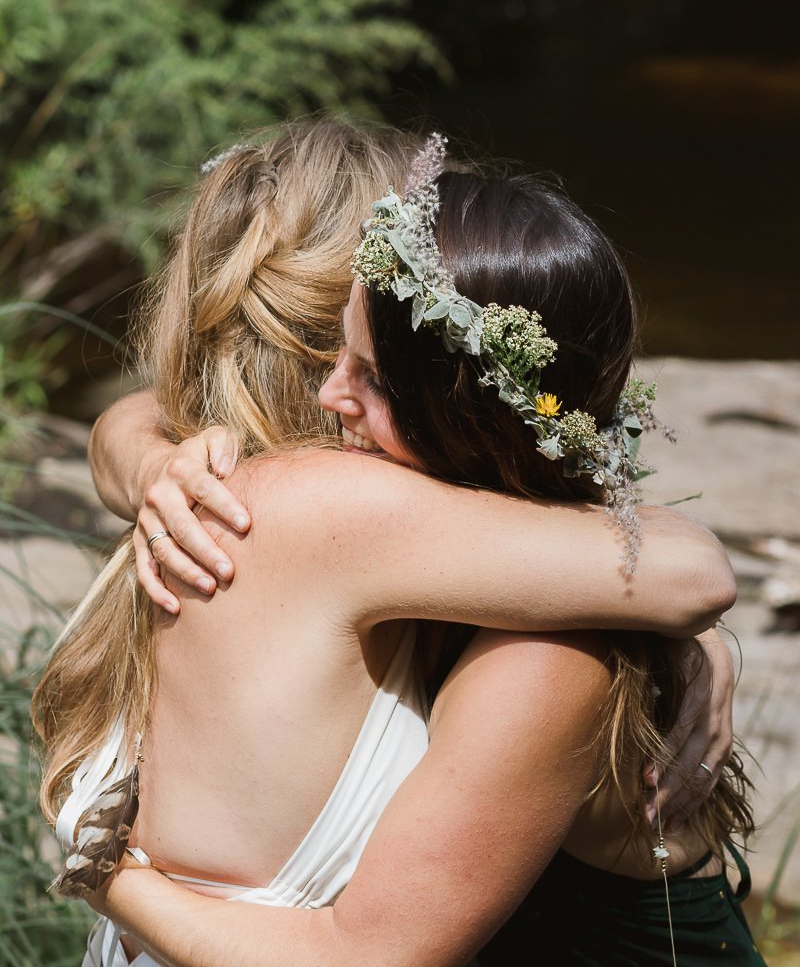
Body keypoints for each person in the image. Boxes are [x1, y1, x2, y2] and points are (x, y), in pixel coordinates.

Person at [33, 122, 747, 967]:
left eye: (368, 368)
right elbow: (142, 415)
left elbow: (691, 574)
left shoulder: (524, 625)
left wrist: (109, 876)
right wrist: (145, 456)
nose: (336, 393)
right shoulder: (298, 508)